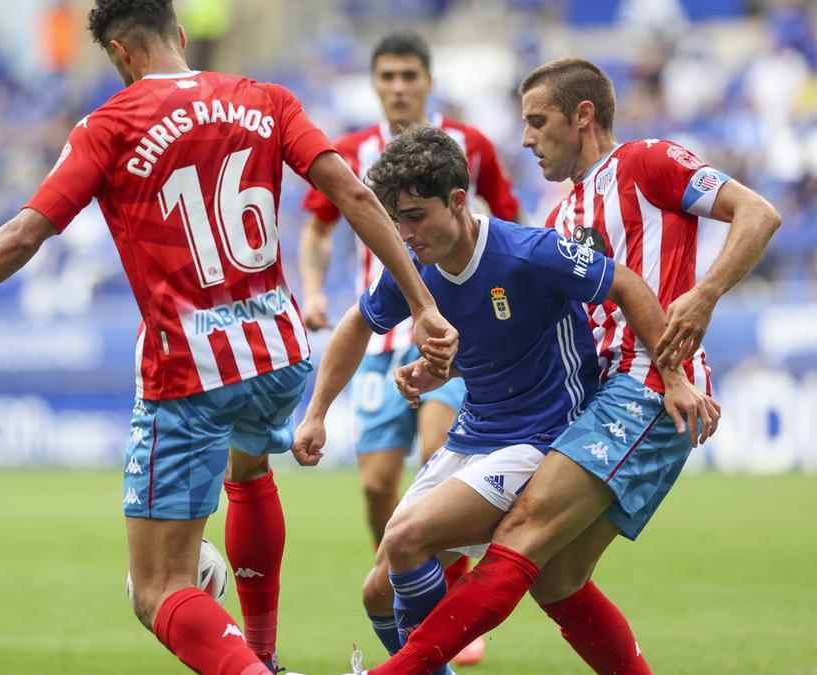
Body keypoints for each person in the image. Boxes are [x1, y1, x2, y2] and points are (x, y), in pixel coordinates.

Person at [0, 2, 456, 674]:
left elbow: (25, 234)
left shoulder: (111, 124)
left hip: (189, 370)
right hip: (278, 354)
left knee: (158, 587)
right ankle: (262, 651)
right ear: (182, 36)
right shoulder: (266, 99)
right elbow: (356, 196)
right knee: (249, 468)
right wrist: (422, 303)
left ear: (122, 55)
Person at [353, 58, 779, 675]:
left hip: (644, 384)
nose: (525, 138)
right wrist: (441, 371)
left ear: (582, 117)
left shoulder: (647, 161)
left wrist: (704, 298)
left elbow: (759, 213)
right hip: (597, 393)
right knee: (556, 582)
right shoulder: (562, 218)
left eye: (537, 121)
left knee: (520, 533)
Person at [290, 125, 708, 675]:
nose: (405, 232)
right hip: (475, 435)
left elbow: (627, 284)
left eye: (416, 215)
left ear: (458, 200)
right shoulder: (414, 268)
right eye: (396, 219)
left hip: (543, 439)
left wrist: (672, 373)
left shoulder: (528, 253)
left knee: (407, 536)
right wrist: (316, 413)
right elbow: (355, 324)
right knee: (377, 593)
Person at [296, 31, 522, 666]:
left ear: (428, 81)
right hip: (380, 337)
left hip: (451, 333)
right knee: (375, 487)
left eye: (408, 77)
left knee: (436, 452)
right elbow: (317, 232)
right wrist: (313, 288)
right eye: (387, 77)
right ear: (375, 84)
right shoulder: (349, 151)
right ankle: (410, 591)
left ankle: (448, 606)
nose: (398, 88)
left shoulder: (469, 146)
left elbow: (509, 219)